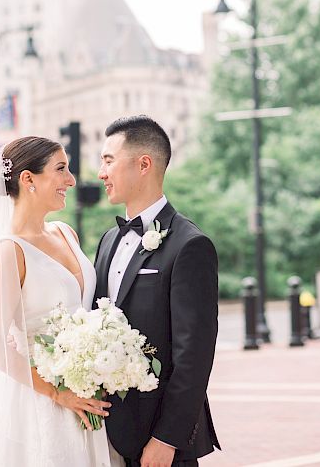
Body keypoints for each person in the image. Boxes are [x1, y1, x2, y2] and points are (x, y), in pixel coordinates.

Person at [0, 136, 111, 466]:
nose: (71, 180)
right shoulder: (8, 252)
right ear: (28, 179)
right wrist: (57, 392)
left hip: (85, 393)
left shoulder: (66, 233)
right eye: (61, 169)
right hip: (40, 403)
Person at [94, 116, 220, 467]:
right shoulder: (108, 240)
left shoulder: (190, 245)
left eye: (108, 160)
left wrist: (167, 438)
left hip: (159, 440)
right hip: (105, 434)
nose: (101, 173)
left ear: (144, 164)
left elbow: (194, 354)